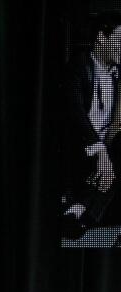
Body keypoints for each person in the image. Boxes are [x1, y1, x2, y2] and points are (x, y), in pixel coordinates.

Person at [62, 13, 121, 240]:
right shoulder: (78, 66)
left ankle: (80, 212)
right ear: (101, 38)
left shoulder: (117, 74)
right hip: (80, 153)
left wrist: (106, 150)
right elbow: (75, 113)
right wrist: (99, 149)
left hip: (107, 160)